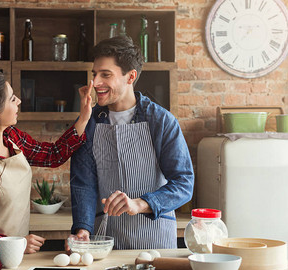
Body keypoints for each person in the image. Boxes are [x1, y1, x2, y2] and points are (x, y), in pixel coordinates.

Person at [0, 69, 92, 254]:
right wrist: (13, 244)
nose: (19, 101)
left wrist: (83, 117)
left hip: (16, 257)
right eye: (12, 99)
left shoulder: (12, 138)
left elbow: (52, 155)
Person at [68, 36, 194, 250]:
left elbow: (183, 183)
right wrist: (83, 229)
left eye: (105, 75)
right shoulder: (88, 123)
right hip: (105, 240)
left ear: (130, 77)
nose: (96, 82)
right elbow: (83, 183)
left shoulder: (161, 121)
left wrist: (140, 203)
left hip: (155, 240)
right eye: (95, 74)